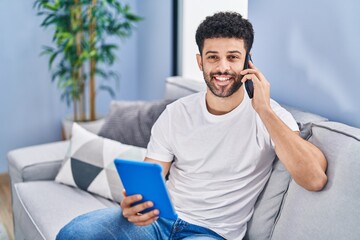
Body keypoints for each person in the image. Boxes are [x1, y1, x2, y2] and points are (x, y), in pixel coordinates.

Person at [56, 11, 327, 240]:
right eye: (212, 57)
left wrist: (264, 110)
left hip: (209, 233)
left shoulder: (271, 115)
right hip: (159, 221)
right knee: (74, 232)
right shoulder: (176, 114)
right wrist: (132, 205)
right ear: (200, 62)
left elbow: (314, 178)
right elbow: (151, 176)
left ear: (248, 61)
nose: (222, 67)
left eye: (233, 57)